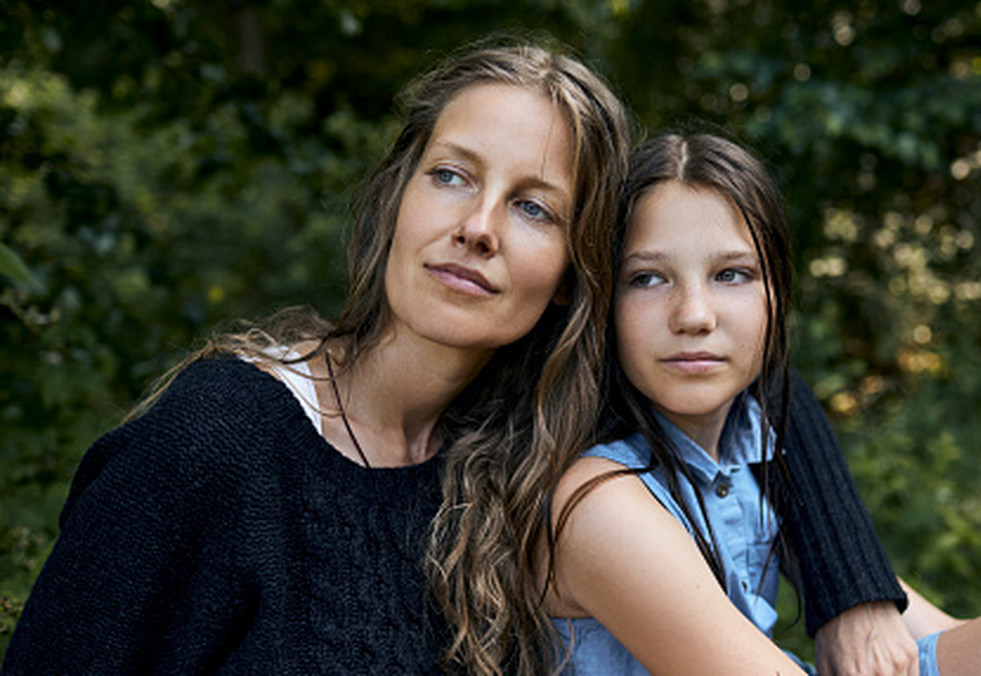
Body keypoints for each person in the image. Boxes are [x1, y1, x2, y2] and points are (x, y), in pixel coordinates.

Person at [1, 42, 631, 675]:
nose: (477, 226)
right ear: (396, 197)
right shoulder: (218, 437)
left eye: (532, 208)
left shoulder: (519, 483)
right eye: (451, 175)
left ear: (574, 276)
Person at [541, 132, 981, 676]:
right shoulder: (600, 498)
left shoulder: (752, 451)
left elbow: (930, 642)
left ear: (779, 298)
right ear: (601, 305)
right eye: (647, 278)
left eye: (732, 274)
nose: (694, 315)